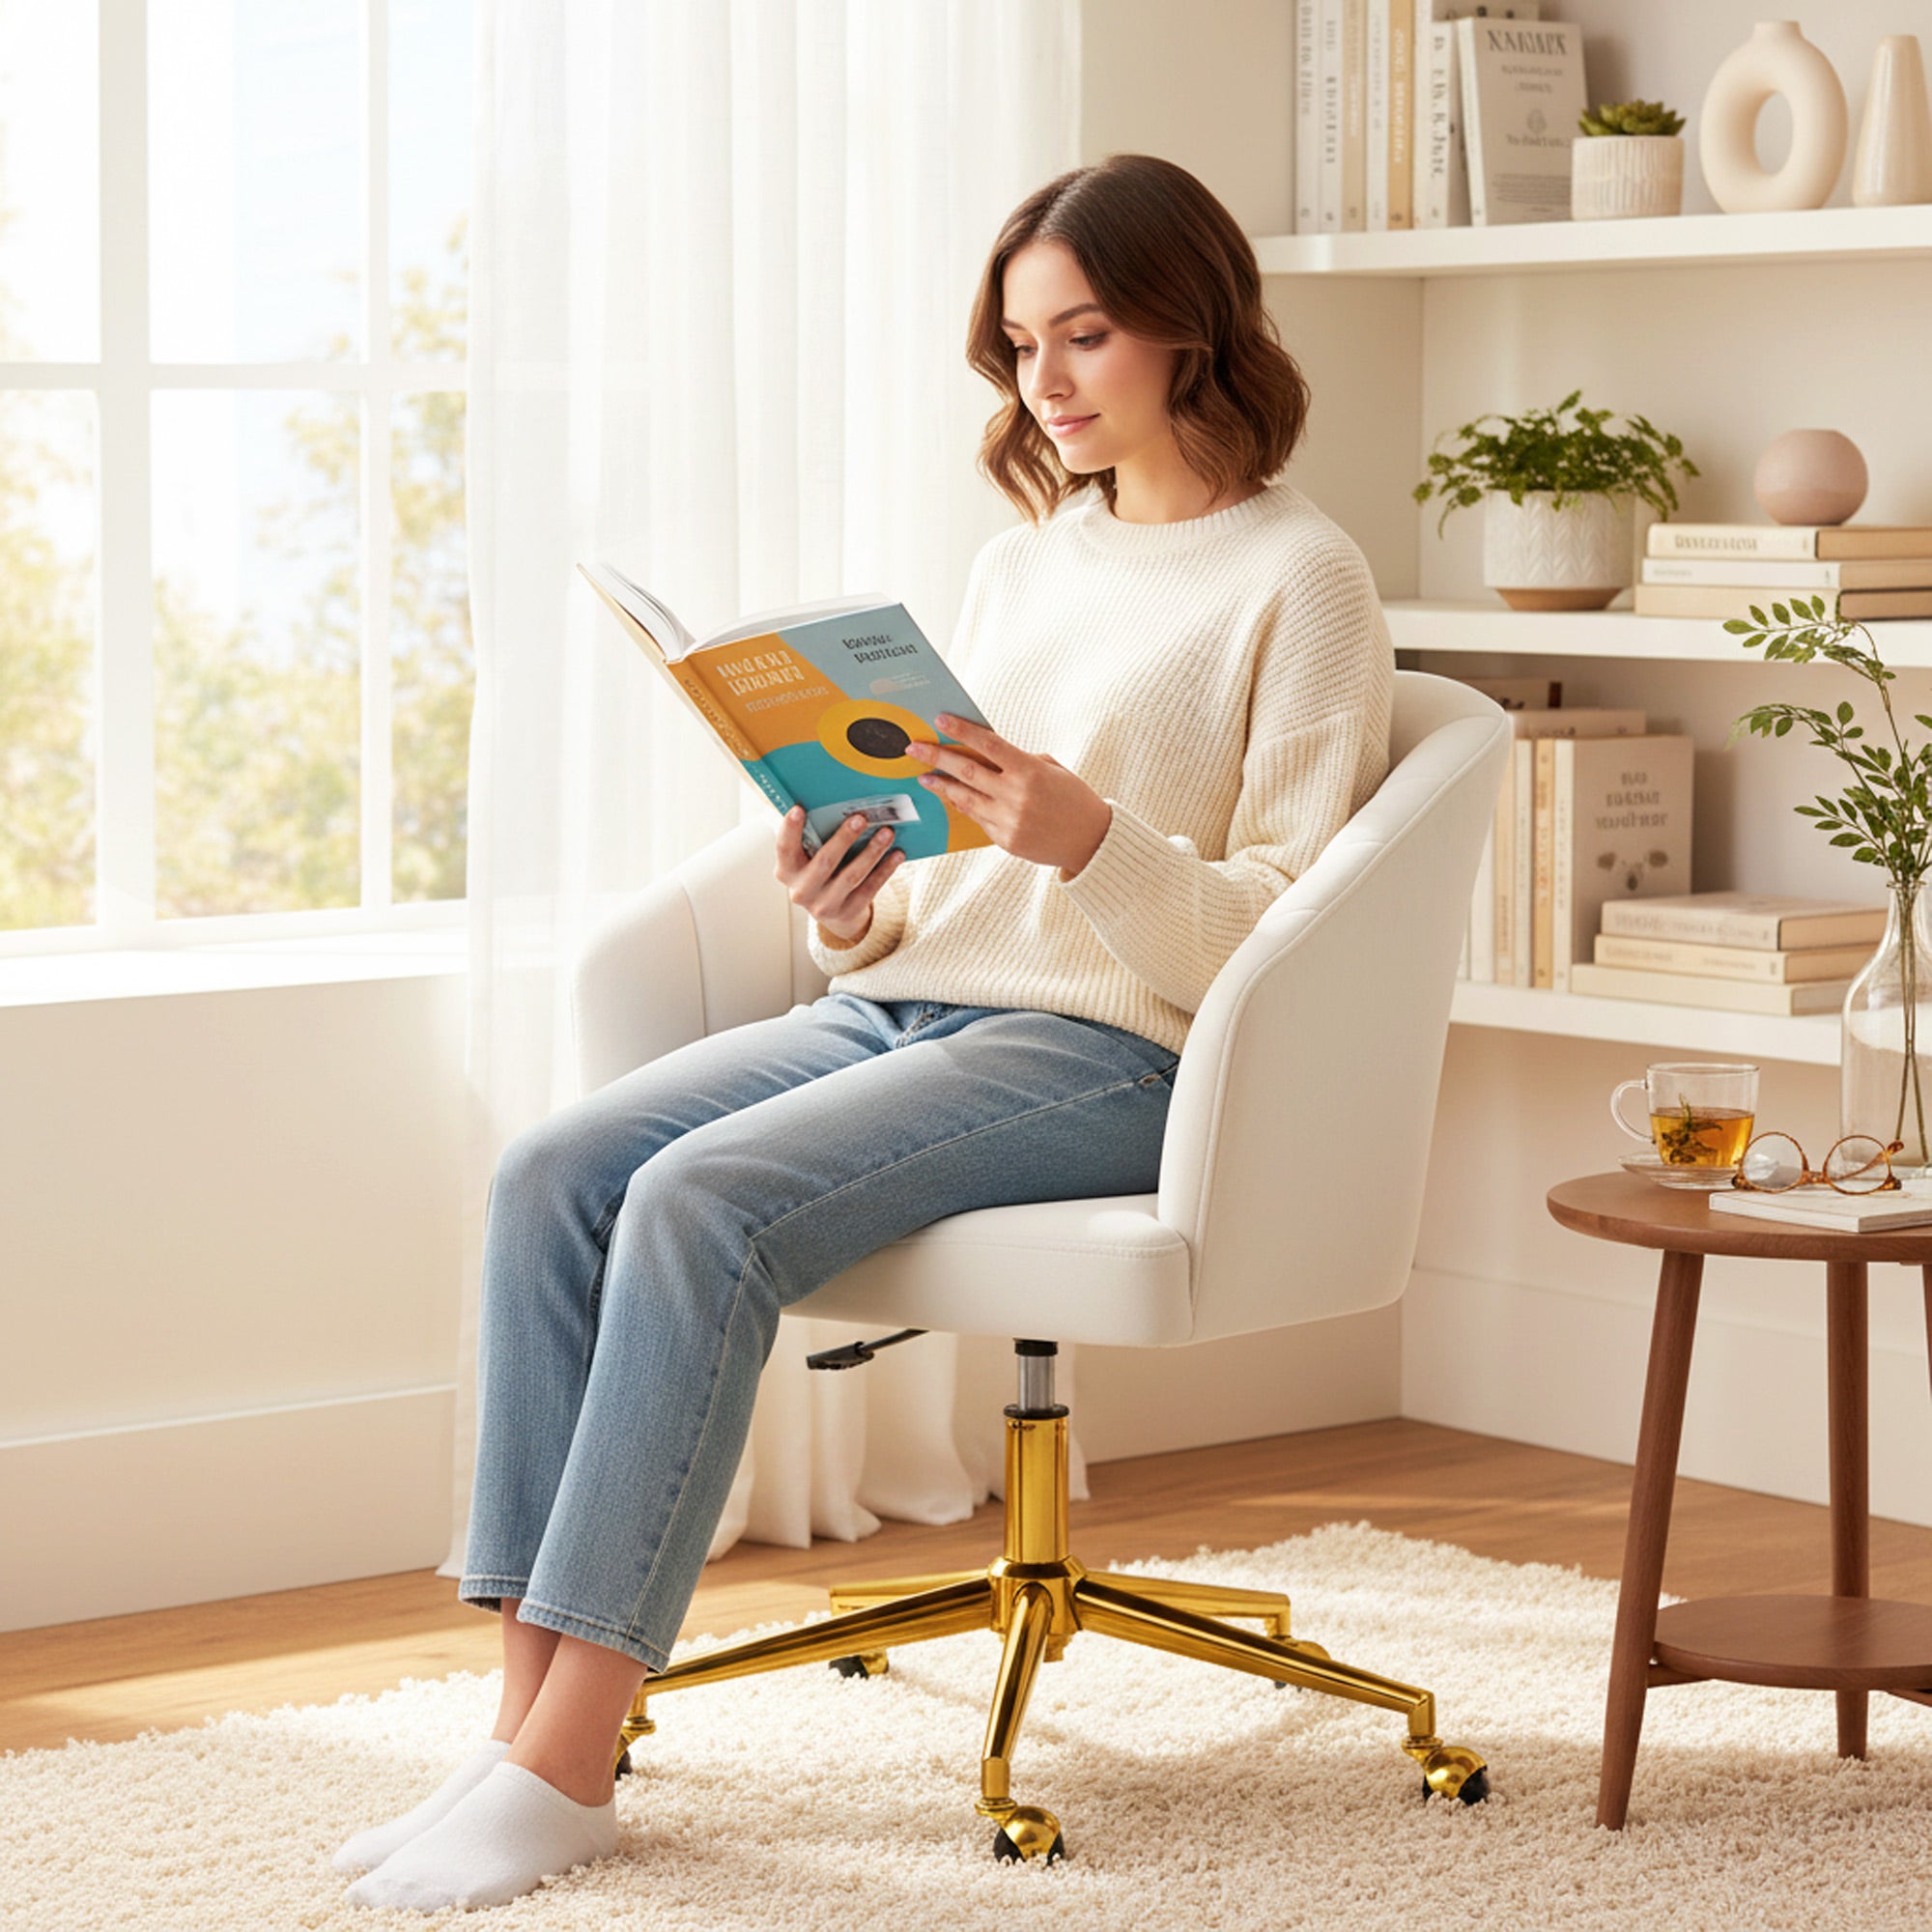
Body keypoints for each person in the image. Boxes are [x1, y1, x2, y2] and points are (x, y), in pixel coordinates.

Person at [336, 151, 1394, 1912]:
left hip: (1114, 1052)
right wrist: (851, 899)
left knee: (702, 1205)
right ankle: (516, 1735)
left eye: (1085, 336)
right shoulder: (1023, 565)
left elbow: (1282, 942)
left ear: (1192, 329)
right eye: (1018, 345)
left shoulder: (1307, 577)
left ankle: (573, 1751)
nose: (1043, 382)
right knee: (554, 1173)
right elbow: (941, 879)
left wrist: (1089, 840)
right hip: (913, 1000)